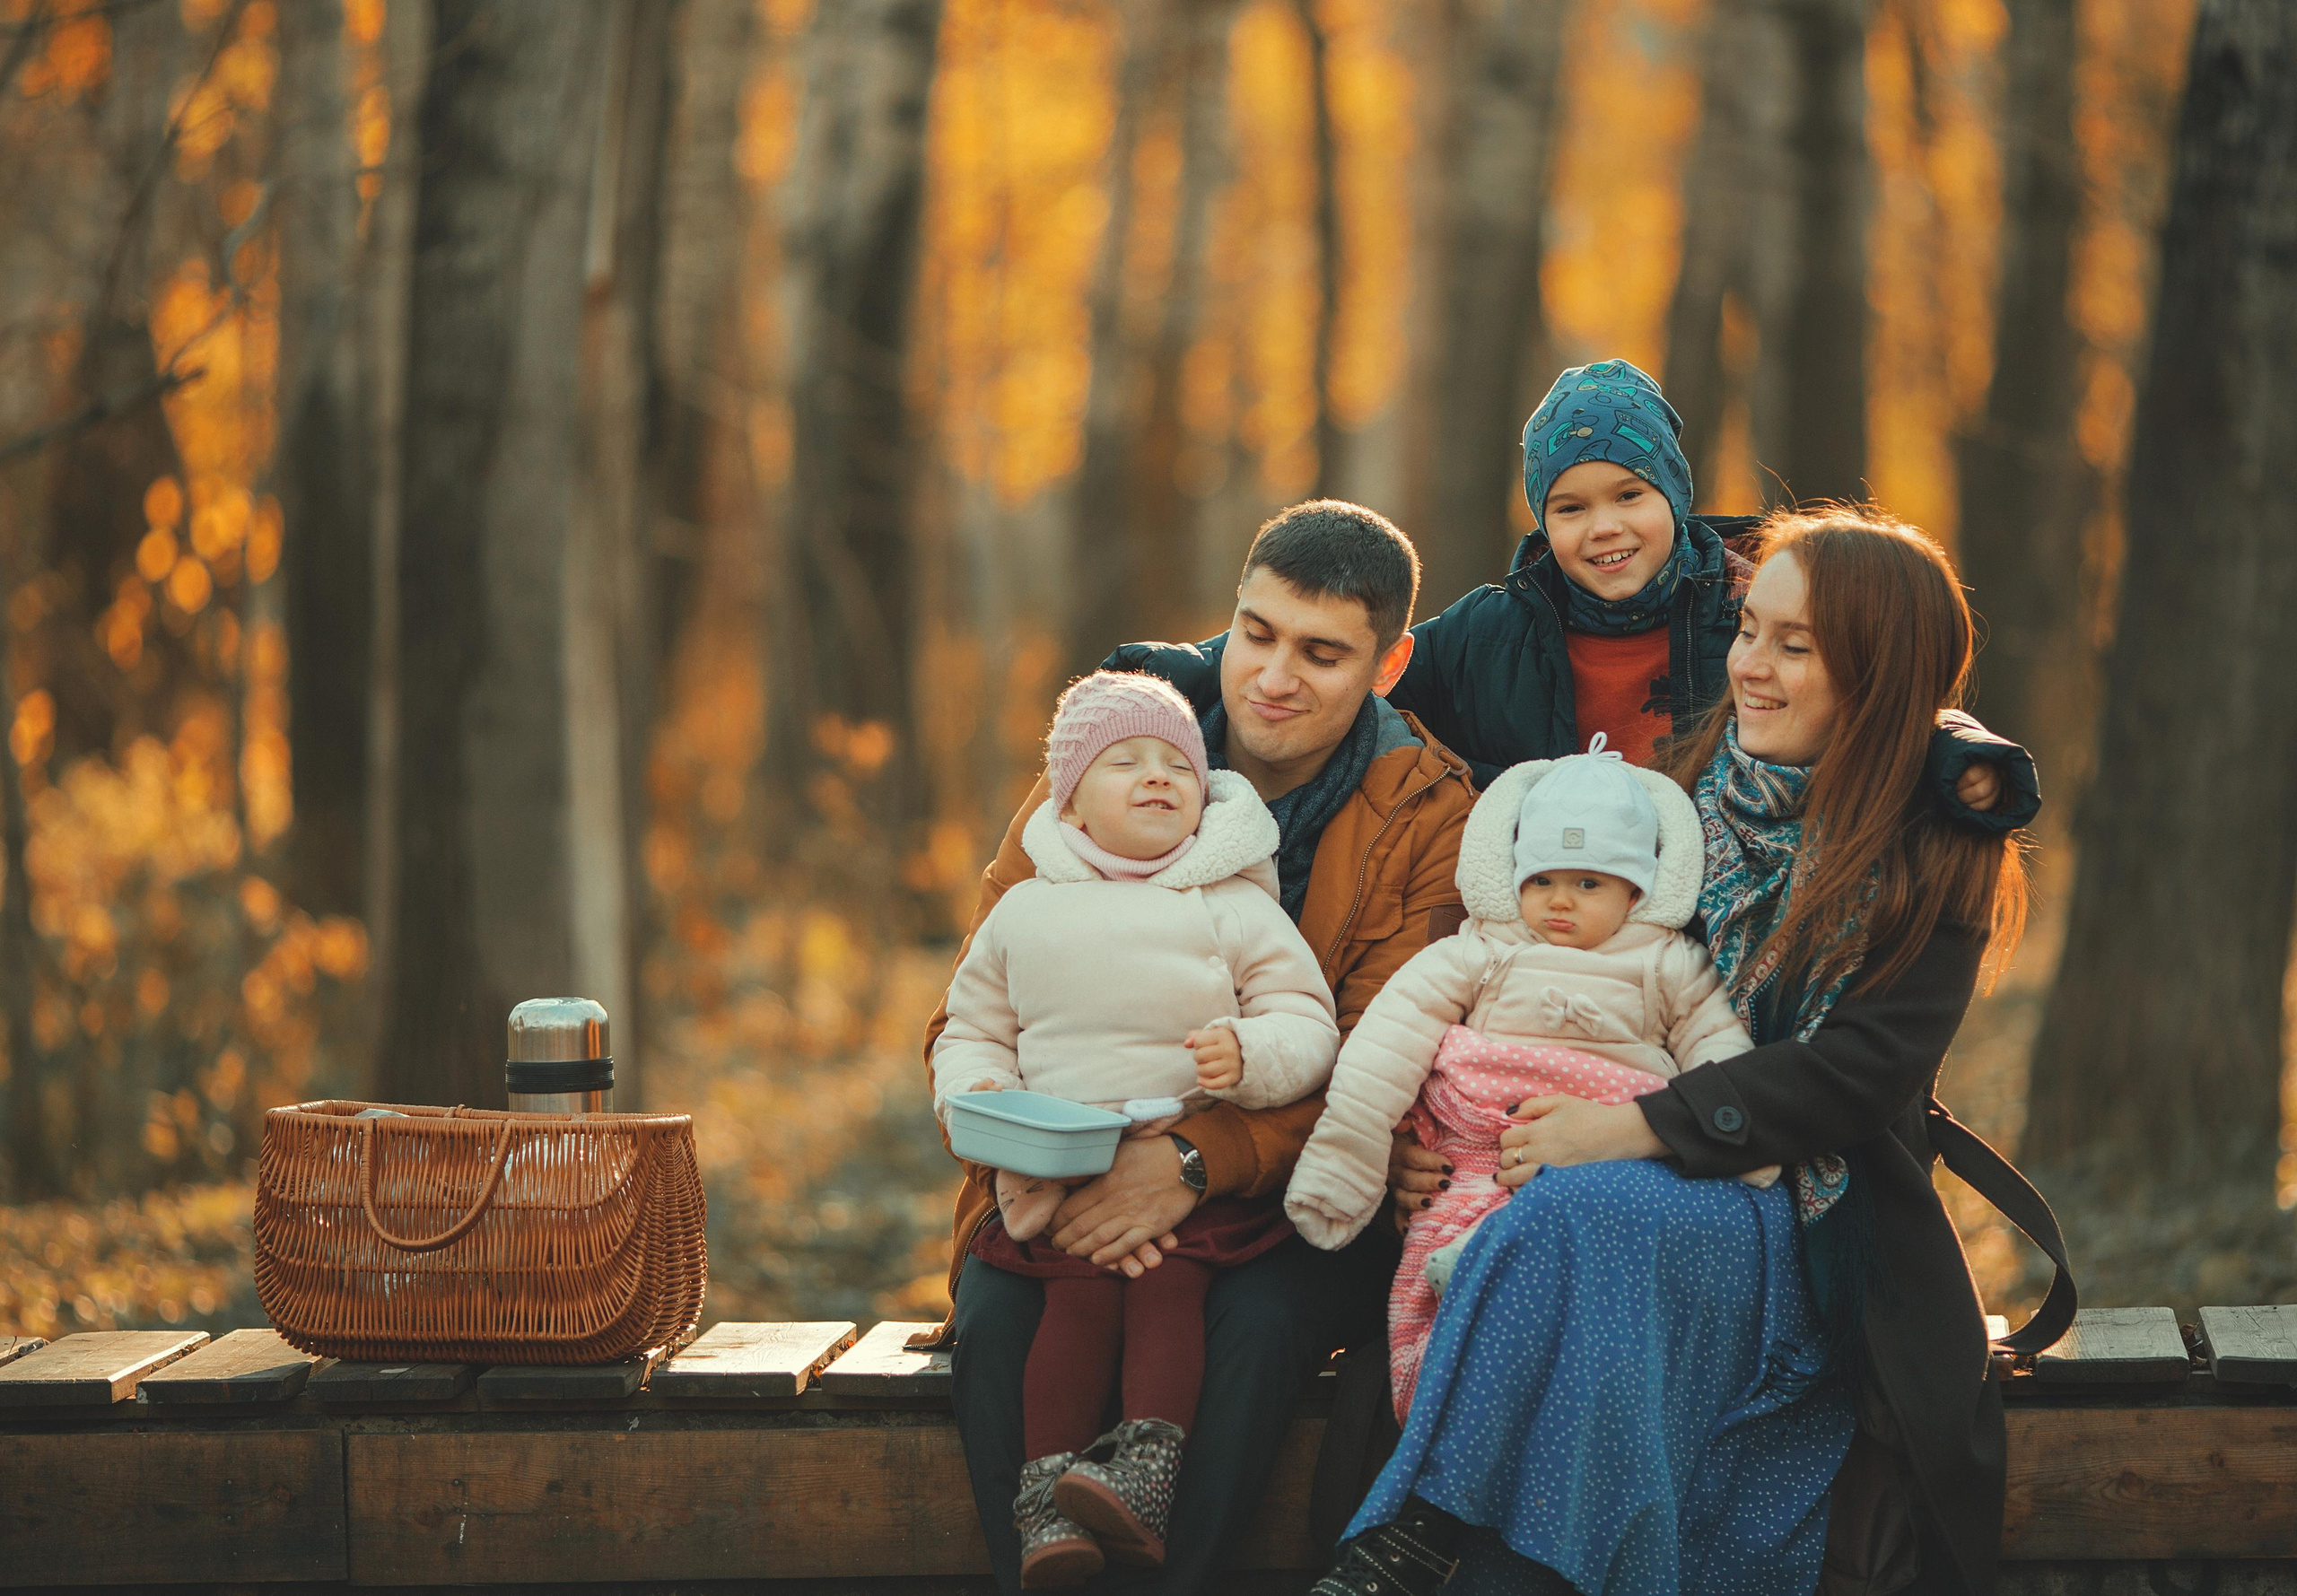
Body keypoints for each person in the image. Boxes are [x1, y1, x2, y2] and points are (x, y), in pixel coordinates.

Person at [1314, 510, 2033, 1596]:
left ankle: (1419, 1519)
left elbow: (1858, 1074)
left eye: (1796, 647)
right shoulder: (1682, 797)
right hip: (1589, 1189)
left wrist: (1630, 1128)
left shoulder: (1933, 843)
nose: (1750, 665)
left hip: (1804, 1214)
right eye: (1749, 629)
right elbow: (1554, 983)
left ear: (1881, 678)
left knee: (1579, 1214)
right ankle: (1476, 1554)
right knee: (1573, 1245)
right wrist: (1431, 1132)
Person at [917, 501, 1480, 1596]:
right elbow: (976, 1008)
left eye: (1322, 655)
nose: (1271, 676)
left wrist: (1190, 1162)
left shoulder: (1427, 809)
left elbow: (1378, 1057)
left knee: (1253, 1329)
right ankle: (1038, 1563)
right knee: (997, 1323)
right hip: (1060, 1166)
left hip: (1293, 1193)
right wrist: (1034, 1148)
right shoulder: (1108, 749)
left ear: (1389, 661)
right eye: (1256, 632)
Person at [931, 671, 1341, 1586]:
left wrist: (1250, 1052)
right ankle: (1048, 1501)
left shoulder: (1234, 904)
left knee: (1168, 1294)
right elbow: (970, 1029)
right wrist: (987, 1101)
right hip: (1060, 1165)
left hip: (1185, 1165)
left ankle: (1139, 1478)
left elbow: (1309, 1024)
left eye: (1178, 766)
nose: (1158, 777)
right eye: (1126, 764)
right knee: (1070, 1306)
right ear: (1070, 805)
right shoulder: (1026, 908)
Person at [1282, 743, 1764, 1423]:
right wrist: (1350, 1146)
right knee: (1463, 1193)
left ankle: (1493, 1267)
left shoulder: (1667, 963)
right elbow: (1390, 1039)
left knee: (1591, 1211)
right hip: (1484, 1138)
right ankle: (1468, 1279)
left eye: (1588, 884)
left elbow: (1718, 1055)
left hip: (1604, 1143)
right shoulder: (1484, 948)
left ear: (1637, 890)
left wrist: (1748, 1140)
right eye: (1541, 881)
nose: (1559, 902)